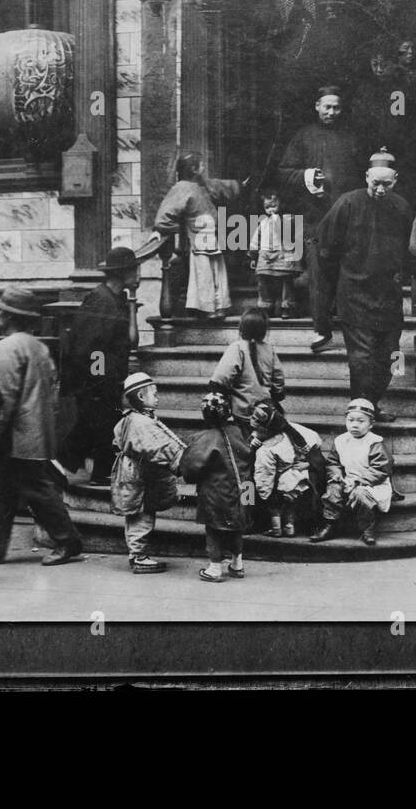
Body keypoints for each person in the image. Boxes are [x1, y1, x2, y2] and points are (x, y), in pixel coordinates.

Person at [0, 285, 84, 567]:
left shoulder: (5, 348)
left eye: (0, 310)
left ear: (9, 316)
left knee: (34, 489)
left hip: (17, 434)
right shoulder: (39, 348)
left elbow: (3, 397)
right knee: (1, 487)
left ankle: (67, 540)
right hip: (37, 431)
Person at [314, 149, 414, 424]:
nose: (381, 189)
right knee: (362, 358)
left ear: (396, 180)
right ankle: (361, 408)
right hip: (354, 294)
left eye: (387, 184)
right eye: (375, 183)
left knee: (391, 355)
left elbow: (410, 248)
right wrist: (336, 286)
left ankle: (372, 402)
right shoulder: (347, 203)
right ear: (366, 177)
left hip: (388, 296)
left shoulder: (402, 207)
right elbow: (325, 248)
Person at [275, 86, 364, 351]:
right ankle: (321, 330)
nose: (331, 112)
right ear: (317, 106)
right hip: (315, 217)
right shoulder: (303, 137)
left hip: (347, 216)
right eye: (327, 106)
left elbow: (362, 176)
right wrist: (305, 176)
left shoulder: (351, 138)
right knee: (319, 274)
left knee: (351, 271)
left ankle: (353, 329)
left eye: (336, 107)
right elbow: (283, 172)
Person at [62, 246, 139, 485]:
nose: (138, 274)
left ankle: (90, 471)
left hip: (107, 380)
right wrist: (100, 380)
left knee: (94, 427)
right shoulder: (101, 300)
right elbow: (90, 346)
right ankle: (78, 469)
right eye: (135, 269)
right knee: (97, 426)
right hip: (97, 382)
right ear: (123, 272)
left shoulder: (116, 299)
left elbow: (130, 341)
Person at [111, 372, 187, 574]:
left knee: (139, 511)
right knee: (141, 513)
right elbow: (159, 447)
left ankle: (136, 553)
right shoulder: (142, 423)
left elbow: (118, 438)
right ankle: (137, 556)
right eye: (154, 393)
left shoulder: (132, 418)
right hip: (139, 475)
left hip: (136, 473)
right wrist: (183, 462)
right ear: (141, 397)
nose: (158, 397)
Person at [151, 152, 242, 319]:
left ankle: (220, 306)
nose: (204, 167)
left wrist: (238, 185)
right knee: (204, 273)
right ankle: (208, 309)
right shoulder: (181, 188)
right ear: (194, 169)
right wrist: (169, 229)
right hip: (199, 239)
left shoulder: (200, 184)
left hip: (213, 238)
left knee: (217, 273)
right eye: (201, 165)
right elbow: (166, 215)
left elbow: (218, 186)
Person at [180, 391, 254, 582]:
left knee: (214, 528)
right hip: (246, 488)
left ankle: (214, 568)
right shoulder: (240, 432)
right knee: (238, 525)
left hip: (218, 491)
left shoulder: (205, 438)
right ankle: (238, 564)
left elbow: (191, 468)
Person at [311, 398, 392, 546]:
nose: (355, 425)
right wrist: (337, 475)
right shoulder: (341, 440)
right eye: (350, 420)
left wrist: (358, 482)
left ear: (371, 424)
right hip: (348, 480)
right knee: (333, 489)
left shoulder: (374, 442)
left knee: (361, 494)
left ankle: (367, 529)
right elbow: (333, 462)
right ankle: (330, 524)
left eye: (361, 421)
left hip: (372, 483)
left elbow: (380, 469)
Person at [248, 399, 322, 538]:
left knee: (310, 482)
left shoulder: (300, 433)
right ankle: (251, 518)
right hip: (265, 476)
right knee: (245, 483)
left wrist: (309, 464)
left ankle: (309, 522)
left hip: (294, 474)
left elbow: (317, 458)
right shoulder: (257, 434)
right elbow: (248, 461)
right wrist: (252, 446)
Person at [209, 307, 285, 439]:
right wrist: (275, 395)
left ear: (242, 327)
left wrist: (224, 393)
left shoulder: (236, 348)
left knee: (246, 442)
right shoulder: (269, 349)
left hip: (243, 410)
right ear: (264, 330)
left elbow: (220, 378)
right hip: (265, 409)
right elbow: (278, 377)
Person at [248, 187, 303, 317]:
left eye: (274, 206)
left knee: (286, 280)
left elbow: (293, 237)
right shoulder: (263, 223)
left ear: (281, 204)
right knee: (263, 281)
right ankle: (266, 306)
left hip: (283, 254)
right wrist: (253, 255)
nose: (270, 210)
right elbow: (256, 239)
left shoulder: (288, 220)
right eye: (267, 207)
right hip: (266, 255)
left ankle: (287, 306)